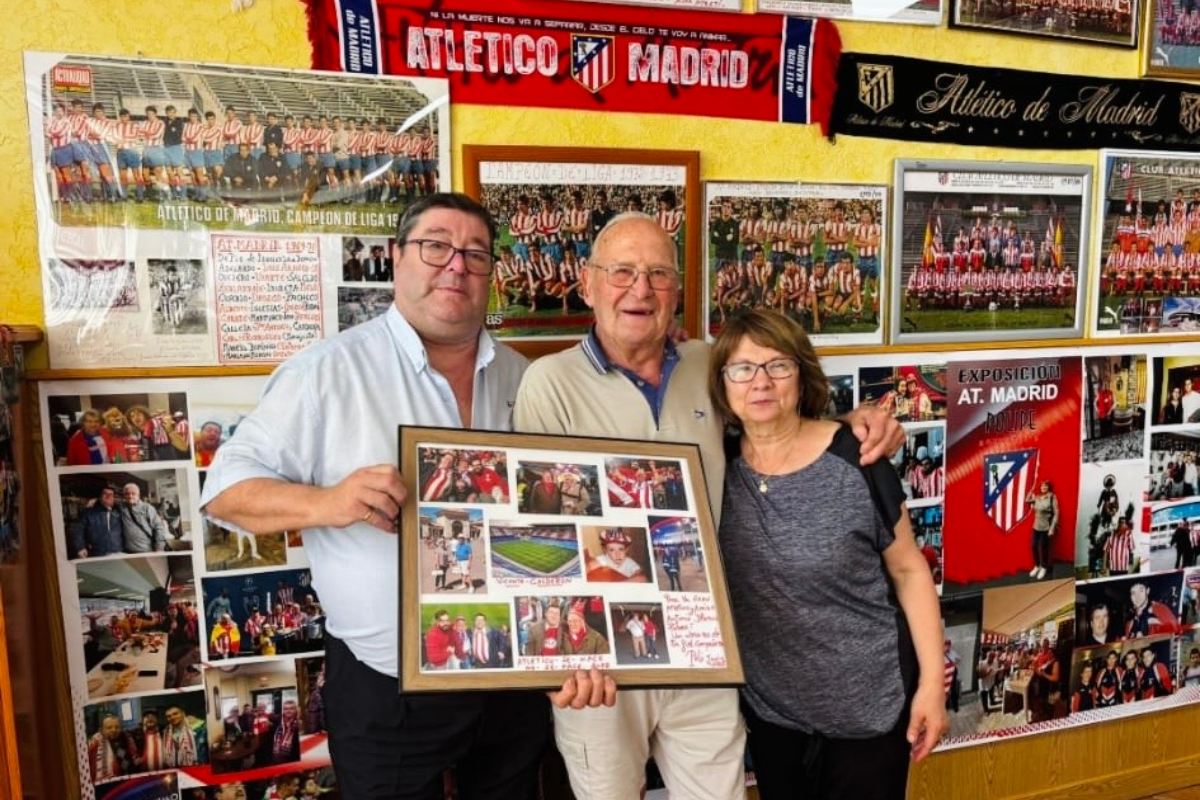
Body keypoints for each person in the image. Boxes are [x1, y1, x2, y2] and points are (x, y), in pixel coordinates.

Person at [202, 193, 595, 798]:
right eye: (436, 246)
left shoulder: (525, 376)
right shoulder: (327, 372)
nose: (456, 265)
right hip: (386, 687)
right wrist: (329, 502)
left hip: (510, 676)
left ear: (491, 272)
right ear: (396, 257)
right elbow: (225, 491)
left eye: (475, 254)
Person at [513, 213, 903, 800]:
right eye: (622, 272)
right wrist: (557, 658)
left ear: (677, 291)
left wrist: (852, 424)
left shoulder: (709, 365)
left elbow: (775, 423)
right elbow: (538, 527)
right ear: (588, 284)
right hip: (602, 661)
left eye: (658, 274)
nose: (641, 289)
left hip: (703, 646)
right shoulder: (549, 383)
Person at [709, 307, 946, 800]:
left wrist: (932, 686)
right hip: (774, 717)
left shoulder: (856, 460)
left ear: (802, 376)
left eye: (778, 365)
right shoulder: (715, 466)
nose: (761, 382)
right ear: (722, 384)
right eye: (743, 368)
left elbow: (909, 571)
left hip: (870, 711)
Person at [70, 485, 125, 558]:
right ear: (100, 496)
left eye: (111, 495)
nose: (108, 496)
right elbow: (78, 530)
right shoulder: (88, 513)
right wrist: (80, 547)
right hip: (97, 553)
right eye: (105, 493)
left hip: (117, 552)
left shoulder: (119, 512)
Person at [119, 482, 170, 552]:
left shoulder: (147, 508)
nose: (130, 496)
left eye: (133, 493)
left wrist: (159, 548)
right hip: (128, 552)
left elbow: (159, 527)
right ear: (124, 495)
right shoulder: (121, 507)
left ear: (138, 495)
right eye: (127, 494)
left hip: (147, 551)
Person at [88, 714, 138, 782]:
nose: (113, 730)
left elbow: (133, 761)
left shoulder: (127, 740)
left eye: (117, 727)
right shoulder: (94, 743)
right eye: (109, 727)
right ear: (101, 730)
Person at [1025, 480, 1059, 580]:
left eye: (1045, 486)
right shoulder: (1037, 497)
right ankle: (1037, 566)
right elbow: (1027, 501)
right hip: (1036, 526)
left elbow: (1056, 513)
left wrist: (1052, 528)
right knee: (1033, 546)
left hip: (1046, 527)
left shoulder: (1052, 497)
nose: (1043, 488)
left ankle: (1044, 567)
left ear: (1048, 487)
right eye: (1042, 486)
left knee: (1043, 548)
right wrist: (1030, 492)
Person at [272, 699, 302, 764]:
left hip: (292, 760)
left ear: (296, 710)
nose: (288, 711)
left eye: (291, 708)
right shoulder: (278, 723)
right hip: (276, 757)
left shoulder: (298, 725)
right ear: (283, 711)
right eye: (286, 709)